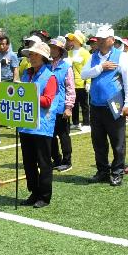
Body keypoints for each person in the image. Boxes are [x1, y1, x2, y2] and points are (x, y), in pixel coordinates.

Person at [81, 26, 128, 186]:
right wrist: (100, 68)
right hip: (96, 104)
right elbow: (84, 74)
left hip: (115, 103)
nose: (100, 41)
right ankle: (102, 170)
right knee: (98, 141)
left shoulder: (121, 56)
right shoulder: (93, 57)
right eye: (99, 39)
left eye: (103, 39)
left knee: (117, 141)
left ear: (112, 40)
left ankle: (117, 172)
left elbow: (127, 81)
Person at [18, 41, 60, 208]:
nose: (31, 57)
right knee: (28, 162)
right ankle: (33, 192)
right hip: (25, 123)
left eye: (34, 55)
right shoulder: (26, 75)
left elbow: (48, 101)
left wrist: (29, 95)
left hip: (42, 125)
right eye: (30, 54)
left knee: (44, 162)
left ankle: (44, 196)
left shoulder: (50, 77)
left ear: (43, 57)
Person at [49, 37, 76, 172]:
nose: (52, 50)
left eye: (54, 48)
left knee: (64, 135)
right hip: (48, 107)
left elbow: (70, 88)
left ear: (60, 51)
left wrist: (68, 107)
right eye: (51, 48)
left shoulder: (66, 67)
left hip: (61, 107)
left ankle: (67, 161)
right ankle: (56, 159)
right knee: (50, 135)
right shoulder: (47, 66)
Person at [66, 31, 91, 130]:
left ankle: (86, 123)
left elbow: (89, 68)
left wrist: (88, 82)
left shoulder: (85, 53)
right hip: (71, 83)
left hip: (82, 82)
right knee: (74, 104)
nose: (72, 41)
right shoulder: (69, 52)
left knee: (84, 104)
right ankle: (75, 122)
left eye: (75, 39)